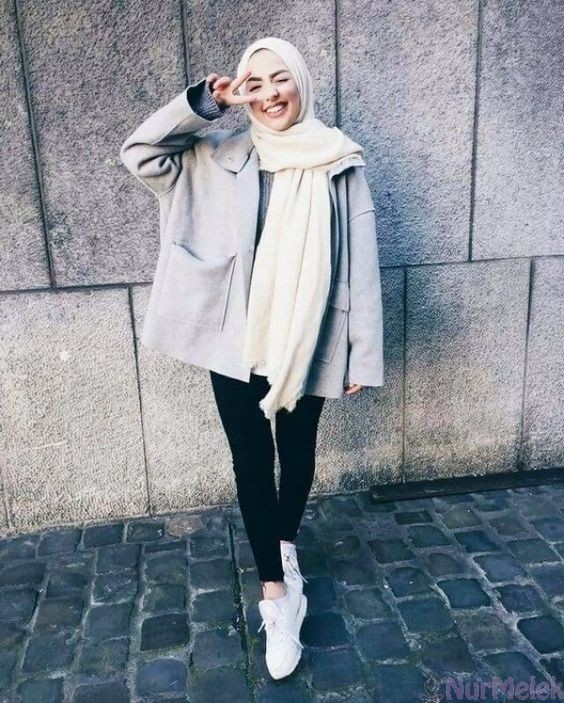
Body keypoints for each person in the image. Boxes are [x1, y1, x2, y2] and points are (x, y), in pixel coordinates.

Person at [120, 36, 384, 680]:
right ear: (242, 91)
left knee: (297, 453)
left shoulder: (338, 159)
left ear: (300, 83)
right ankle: (276, 594)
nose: (269, 94)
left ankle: (284, 545)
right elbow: (139, 152)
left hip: (310, 333)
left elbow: (362, 260)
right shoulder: (216, 154)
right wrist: (203, 105)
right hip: (235, 337)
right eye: (255, 83)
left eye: (279, 79)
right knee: (250, 459)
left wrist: (362, 352)